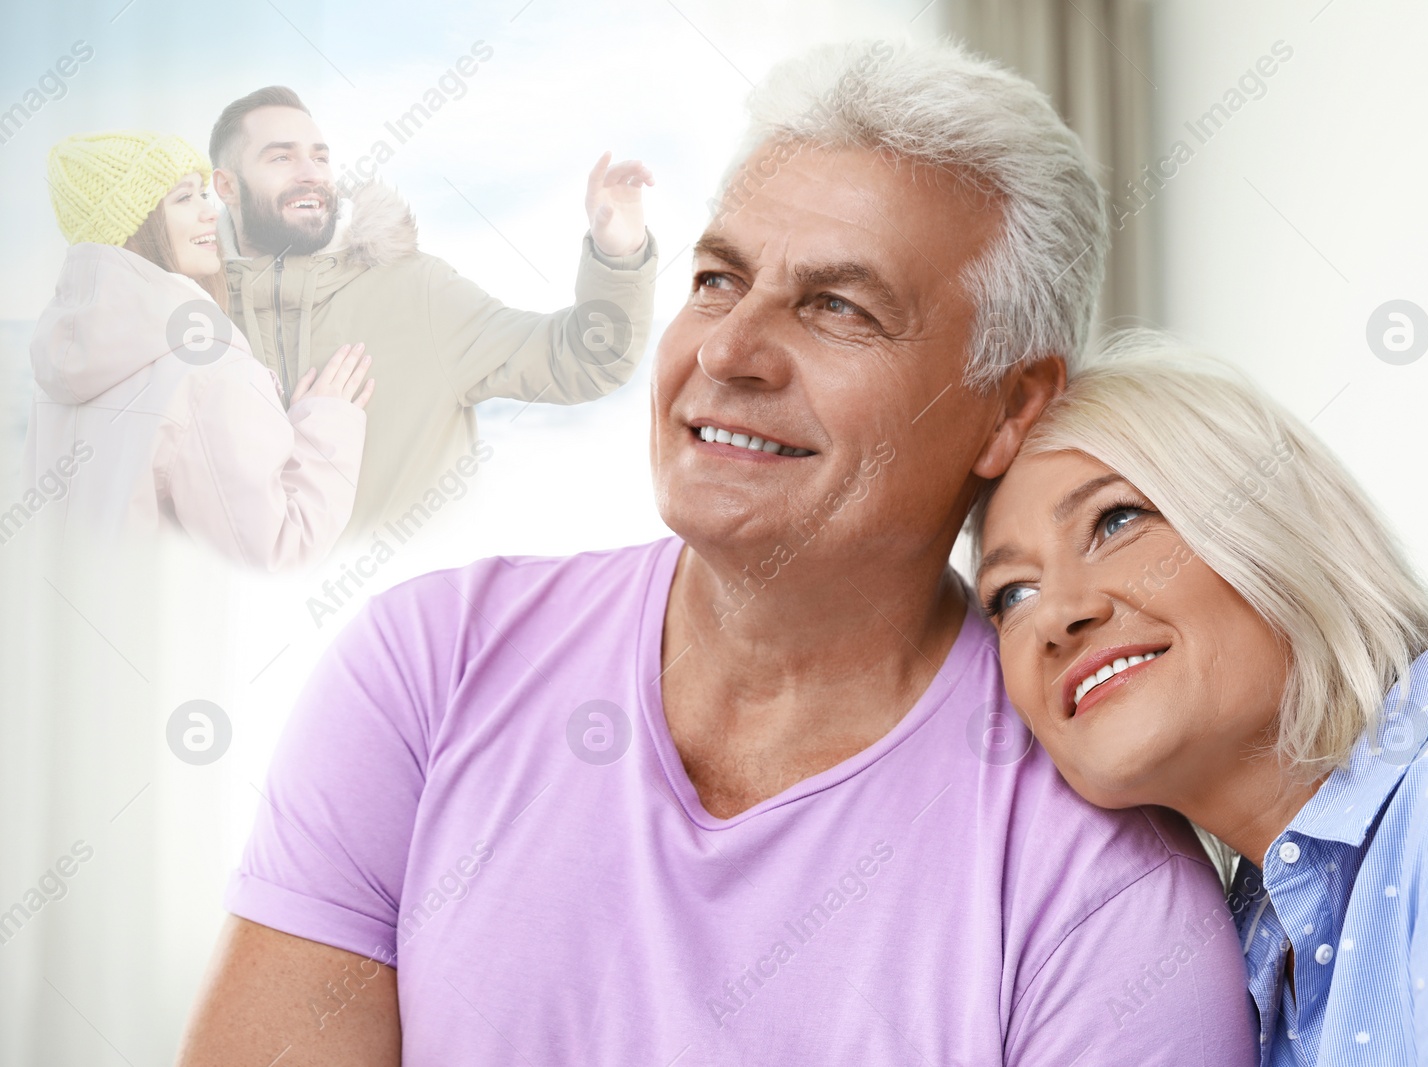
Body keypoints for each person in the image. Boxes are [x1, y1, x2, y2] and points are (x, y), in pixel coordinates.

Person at [175, 40, 1257, 1065]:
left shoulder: (1105, 889)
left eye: (837, 306)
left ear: (1009, 406)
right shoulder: (426, 669)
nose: (730, 350)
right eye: (716, 279)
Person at [974, 333, 1428, 1066]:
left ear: (1272, 524)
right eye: (1012, 593)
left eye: (1115, 521)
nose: (1055, 616)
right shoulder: (1242, 927)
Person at [207, 86, 658, 542]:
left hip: (403, 603)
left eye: (320, 158)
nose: (311, 174)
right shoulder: (194, 317)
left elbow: (586, 358)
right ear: (227, 186)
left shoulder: (415, 289)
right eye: (281, 158)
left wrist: (618, 255)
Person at [23, 130, 373, 570]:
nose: (212, 213)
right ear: (134, 226)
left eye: (205, 193)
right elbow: (275, 556)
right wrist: (324, 429)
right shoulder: (211, 370)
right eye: (185, 198)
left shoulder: (59, 365)